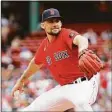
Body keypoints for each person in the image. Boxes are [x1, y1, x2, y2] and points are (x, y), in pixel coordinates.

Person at [11, 8, 103, 111]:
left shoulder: (65, 34)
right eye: (51, 21)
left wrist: (82, 50)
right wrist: (21, 82)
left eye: (57, 21)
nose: (55, 24)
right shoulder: (44, 46)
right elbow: (35, 63)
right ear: (43, 25)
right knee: (33, 108)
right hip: (64, 88)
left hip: (85, 84)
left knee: (80, 103)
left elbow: (81, 39)